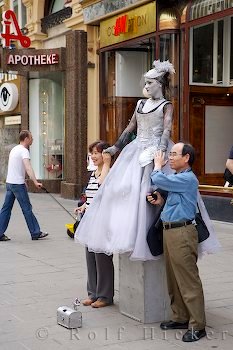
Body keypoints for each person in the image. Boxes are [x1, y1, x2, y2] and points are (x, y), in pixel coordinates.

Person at [75, 60, 175, 260]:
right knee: (124, 191)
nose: (146, 86)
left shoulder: (166, 105)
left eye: (150, 83)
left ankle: (150, 231)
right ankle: (124, 231)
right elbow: (130, 128)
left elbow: (167, 128)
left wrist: (162, 150)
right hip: (136, 149)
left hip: (154, 151)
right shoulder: (140, 104)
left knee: (148, 190)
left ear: (160, 84)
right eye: (145, 83)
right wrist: (115, 147)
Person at [150, 143, 206, 342]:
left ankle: (197, 326)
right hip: (171, 231)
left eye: (174, 154)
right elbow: (176, 201)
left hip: (182, 232)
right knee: (173, 278)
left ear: (187, 158)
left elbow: (157, 178)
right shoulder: (176, 178)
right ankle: (180, 317)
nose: (170, 157)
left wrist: (157, 165)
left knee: (188, 279)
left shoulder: (188, 178)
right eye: (170, 154)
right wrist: (161, 202)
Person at [74, 141, 114, 308]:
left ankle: (105, 296)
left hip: (103, 221)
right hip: (90, 220)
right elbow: (91, 196)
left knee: (102, 258)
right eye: (92, 153)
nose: (93, 156)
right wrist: (83, 206)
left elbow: (102, 186)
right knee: (90, 257)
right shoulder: (93, 172)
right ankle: (93, 293)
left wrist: (107, 163)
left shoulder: (109, 172)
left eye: (97, 153)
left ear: (105, 155)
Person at [0, 130, 48, 241]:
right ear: (26, 138)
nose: (32, 140)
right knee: (27, 208)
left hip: (10, 183)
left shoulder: (14, 149)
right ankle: (35, 232)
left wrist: (24, 180)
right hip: (17, 184)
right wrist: (35, 182)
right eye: (31, 138)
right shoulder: (24, 151)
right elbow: (28, 167)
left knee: (6, 208)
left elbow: (15, 167)